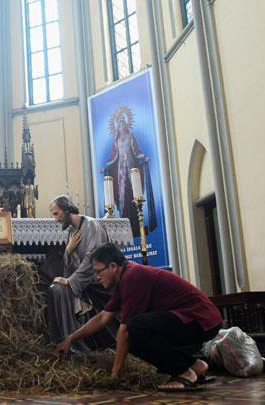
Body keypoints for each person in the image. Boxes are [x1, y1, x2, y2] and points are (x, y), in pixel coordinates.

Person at [55, 243, 222, 392]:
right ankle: (194, 365)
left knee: (134, 327)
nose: (97, 277)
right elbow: (103, 317)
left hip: (200, 319)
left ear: (113, 266)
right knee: (133, 336)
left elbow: (125, 331)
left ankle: (183, 372)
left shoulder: (133, 277)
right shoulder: (126, 277)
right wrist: (71, 338)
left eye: (98, 271)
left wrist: (114, 376)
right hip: (193, 319)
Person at [47, 195, 118, 352]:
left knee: (61, 288)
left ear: (66, 210)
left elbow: (92, 259)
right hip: (84, 283)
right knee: (55, 289)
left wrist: (71, 281)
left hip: (100, 282)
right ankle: (61, 340)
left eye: (56, 213)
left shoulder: (92, 226)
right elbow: (70, 266)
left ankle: (75, 344)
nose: (56, 219)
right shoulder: (72, 232)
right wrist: (67, 251)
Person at [103, 106, 156, 237]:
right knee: (124, 196)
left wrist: (143, 157)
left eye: (123, 124)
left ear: (126, 125)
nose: (121, 126)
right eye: (119, 125)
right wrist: (107, 167)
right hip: (121, 170)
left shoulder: (130, 137)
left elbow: (136, 152)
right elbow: (114, 157)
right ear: (117, 127)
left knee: (134, 194)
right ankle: (125, 224)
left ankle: (136, 224)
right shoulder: (116, 141)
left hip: (132, 168)